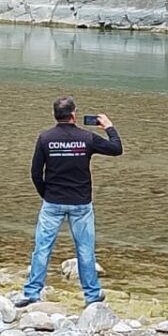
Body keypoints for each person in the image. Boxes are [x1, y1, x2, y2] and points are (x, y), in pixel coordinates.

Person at [17, 96, 123, 308]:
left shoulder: (45, 138)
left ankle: (32, 293)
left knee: (42, 248)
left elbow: (36, 173)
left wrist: (46, 194)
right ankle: (91, 295)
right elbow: (116, 148)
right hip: (80, 203)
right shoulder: (86, 138)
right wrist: (109, 127)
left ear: (55, 115)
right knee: (85, 250)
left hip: (53, 201)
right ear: (74, 114)